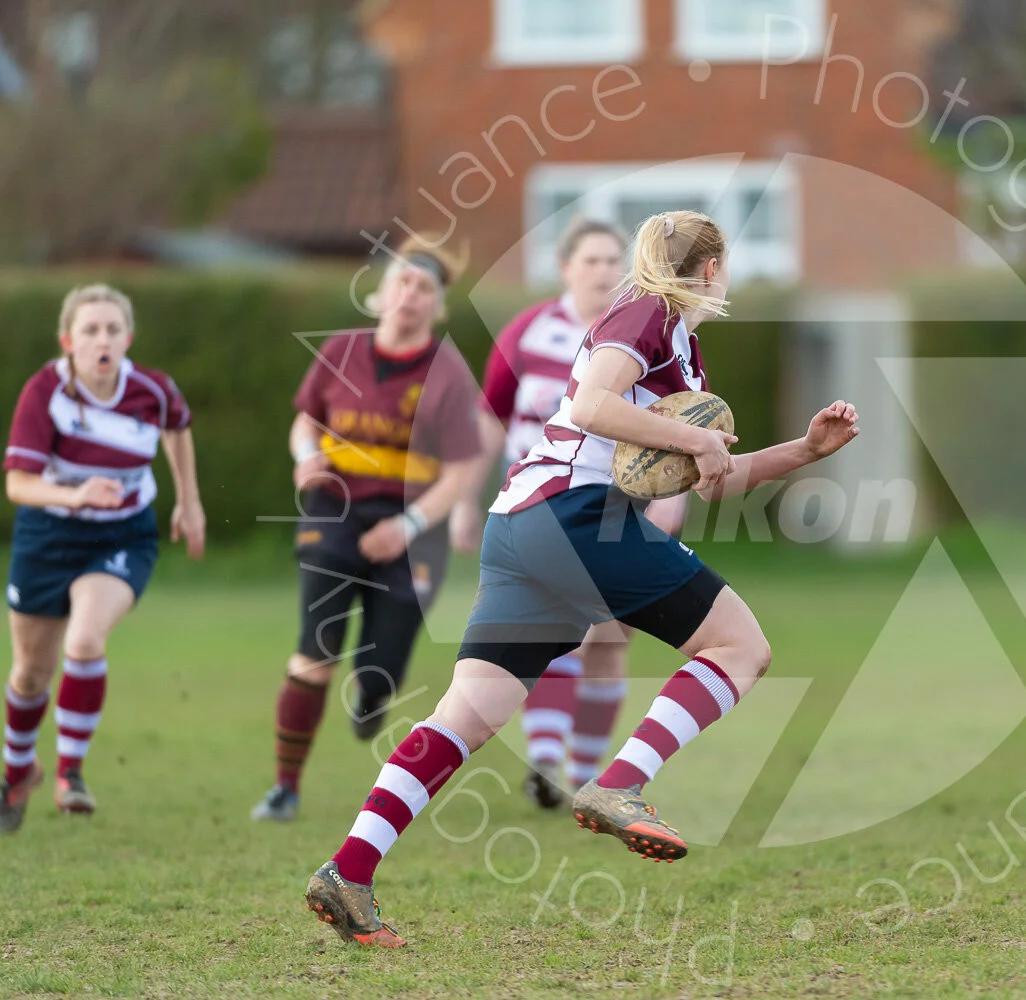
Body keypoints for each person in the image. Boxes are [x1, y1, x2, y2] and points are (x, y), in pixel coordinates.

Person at [301, 210, 860, 947]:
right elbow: (594, 405)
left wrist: (806, 450)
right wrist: (694, 437)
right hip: (577, 516)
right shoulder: (647, 312)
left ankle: (348, 871)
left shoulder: (682, 352)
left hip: (523, 525)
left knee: (467, 717)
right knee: (740, 648)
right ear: (711, 270)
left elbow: (716, 480)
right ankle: (621, 781)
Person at [249, 236, 486, 823]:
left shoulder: (447, 373)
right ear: (381, 293)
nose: (410, 294)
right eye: (403, 281)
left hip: (414, 529)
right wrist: (305, 455)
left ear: (437, 306)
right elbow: (305, 421)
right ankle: (284, 789)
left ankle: (373, 695)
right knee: (315, 651)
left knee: (380, 669)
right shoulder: (341, 350)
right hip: (335, 512)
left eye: (424, 288)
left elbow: (461, 472)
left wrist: (407, 525)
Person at [457, 216, 689, 810]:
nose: (605, 271)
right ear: (565, 268)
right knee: (568, 637)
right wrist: (464, 499)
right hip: (547, 507)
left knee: (608, 643)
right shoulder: (528, 332)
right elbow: (490, 420)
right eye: (592, 260)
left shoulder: (644, 333)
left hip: (625, 508)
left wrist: (672, 498)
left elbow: (678, 424)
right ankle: (547, 757)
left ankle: (582, 774)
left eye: (615, 260)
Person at [2, 284, 205, 832]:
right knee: (29, 673)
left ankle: (69, 773)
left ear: (128, 338)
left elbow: (177, 428)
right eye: (90, 330)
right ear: (68, 340)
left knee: (86, 639)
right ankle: (18, 771)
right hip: (48, 535)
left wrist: (189, 501)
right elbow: (19, 485)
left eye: (113, 329)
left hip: (122, 536)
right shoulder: (45, 392)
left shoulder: (152, 390)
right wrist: (76, 496)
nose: (102, 340)